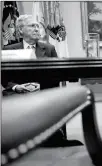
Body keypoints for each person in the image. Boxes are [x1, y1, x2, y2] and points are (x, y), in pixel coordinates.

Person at [2, 14, 83, 147]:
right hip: (18, 92)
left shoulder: (49, 49)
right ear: (21, 30)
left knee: (53, 98)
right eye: (32, 26)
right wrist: (17, 87)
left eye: (37, 26)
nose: (36, 29)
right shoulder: (9, 50)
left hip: (43, 90)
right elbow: (4, 77)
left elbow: (56, 75)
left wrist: (39, 86)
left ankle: (54, 137)